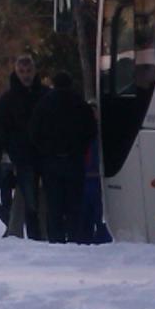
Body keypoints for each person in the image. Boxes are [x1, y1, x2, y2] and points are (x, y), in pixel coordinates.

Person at [29, 72, 96, 244]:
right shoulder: (80, 104)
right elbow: (91, 130)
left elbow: (34, 133)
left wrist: (45, 151)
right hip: (74, 160)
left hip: (51, 161)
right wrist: (80, 149)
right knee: (74, 203)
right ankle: (75, 237)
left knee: (54, 205)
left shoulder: (44, 104)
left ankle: (56, 239)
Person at [0, 53, 46, 239]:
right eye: (22, 71)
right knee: (28, 201)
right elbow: (4, 132)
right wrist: (13, 155)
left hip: (45, 155)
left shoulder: (45, 95)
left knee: (45, 201)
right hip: (23, 157)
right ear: (16, 73)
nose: (26, 75)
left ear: (34, 71)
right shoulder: (7, 100)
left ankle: (45, 236)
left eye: (28, 70)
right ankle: (30, 237)